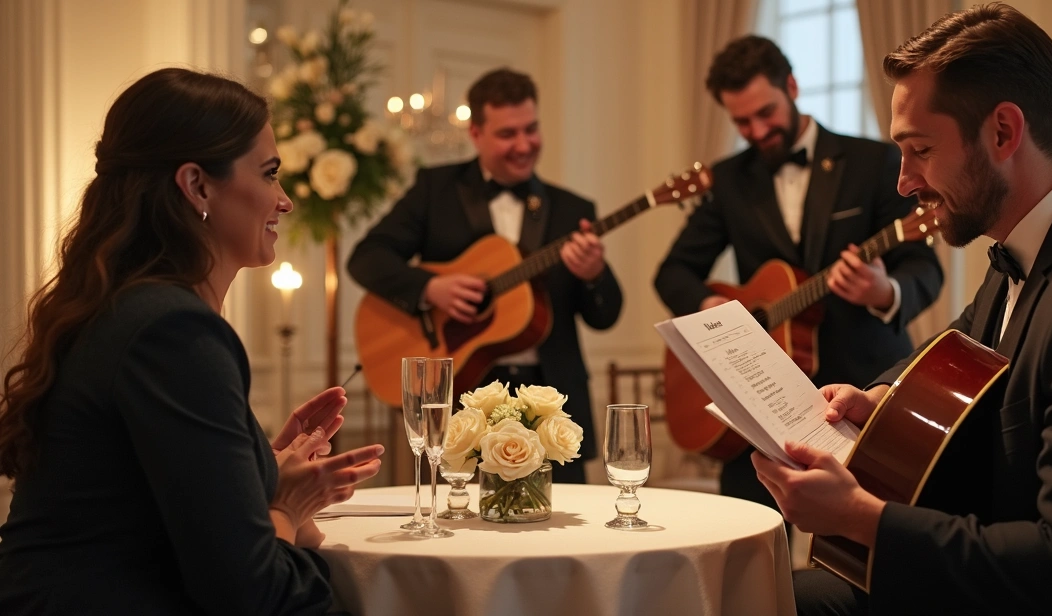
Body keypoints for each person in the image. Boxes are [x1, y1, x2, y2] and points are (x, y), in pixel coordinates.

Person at [752, 3, 1052, 615]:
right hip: (983, 575)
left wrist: (863, 518)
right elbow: (954, 354)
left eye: (919, 149)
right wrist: (875, 404)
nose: (904, 181)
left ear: (1003, 132)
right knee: (752, 595)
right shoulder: (1025, 254)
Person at [0, 68, 385, 614]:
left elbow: (146, 500)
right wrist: (284, 508)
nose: (285, 201)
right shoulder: (171, 331)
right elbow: (249, 595)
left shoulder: (130, 308)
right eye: (270, 174)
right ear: (197, 185)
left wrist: (259, 464)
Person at [654, 35, 943, 510]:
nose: (757, 130)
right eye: (742, 121)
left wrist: (881, 290)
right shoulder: (729, 180)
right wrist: (710, 306)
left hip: (861, 390)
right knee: (748, 548)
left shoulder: (874, 162)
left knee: (861, 552)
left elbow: (923, 269)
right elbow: (673, 271)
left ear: (791, 85)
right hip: (761, 402)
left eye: (766, 112)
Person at [347, 68, 622, 484]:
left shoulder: (571, 209)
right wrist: (430, 288)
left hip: (552, 403)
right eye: (507, 134)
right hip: (462, 401)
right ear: (475, 133)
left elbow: (605, 315)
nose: (524, 144)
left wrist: (594, 273)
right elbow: (366, 257)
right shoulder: (434, 189)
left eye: (531, 129)